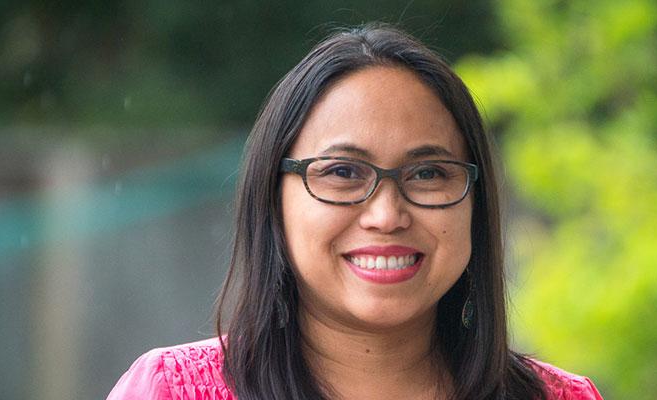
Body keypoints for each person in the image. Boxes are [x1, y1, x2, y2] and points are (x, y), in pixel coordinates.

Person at [107, 24, 603, 400]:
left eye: (428, 173)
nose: (386, 215)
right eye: (343, 172)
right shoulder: (172, 390)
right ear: (272, 199)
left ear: (476, 202)